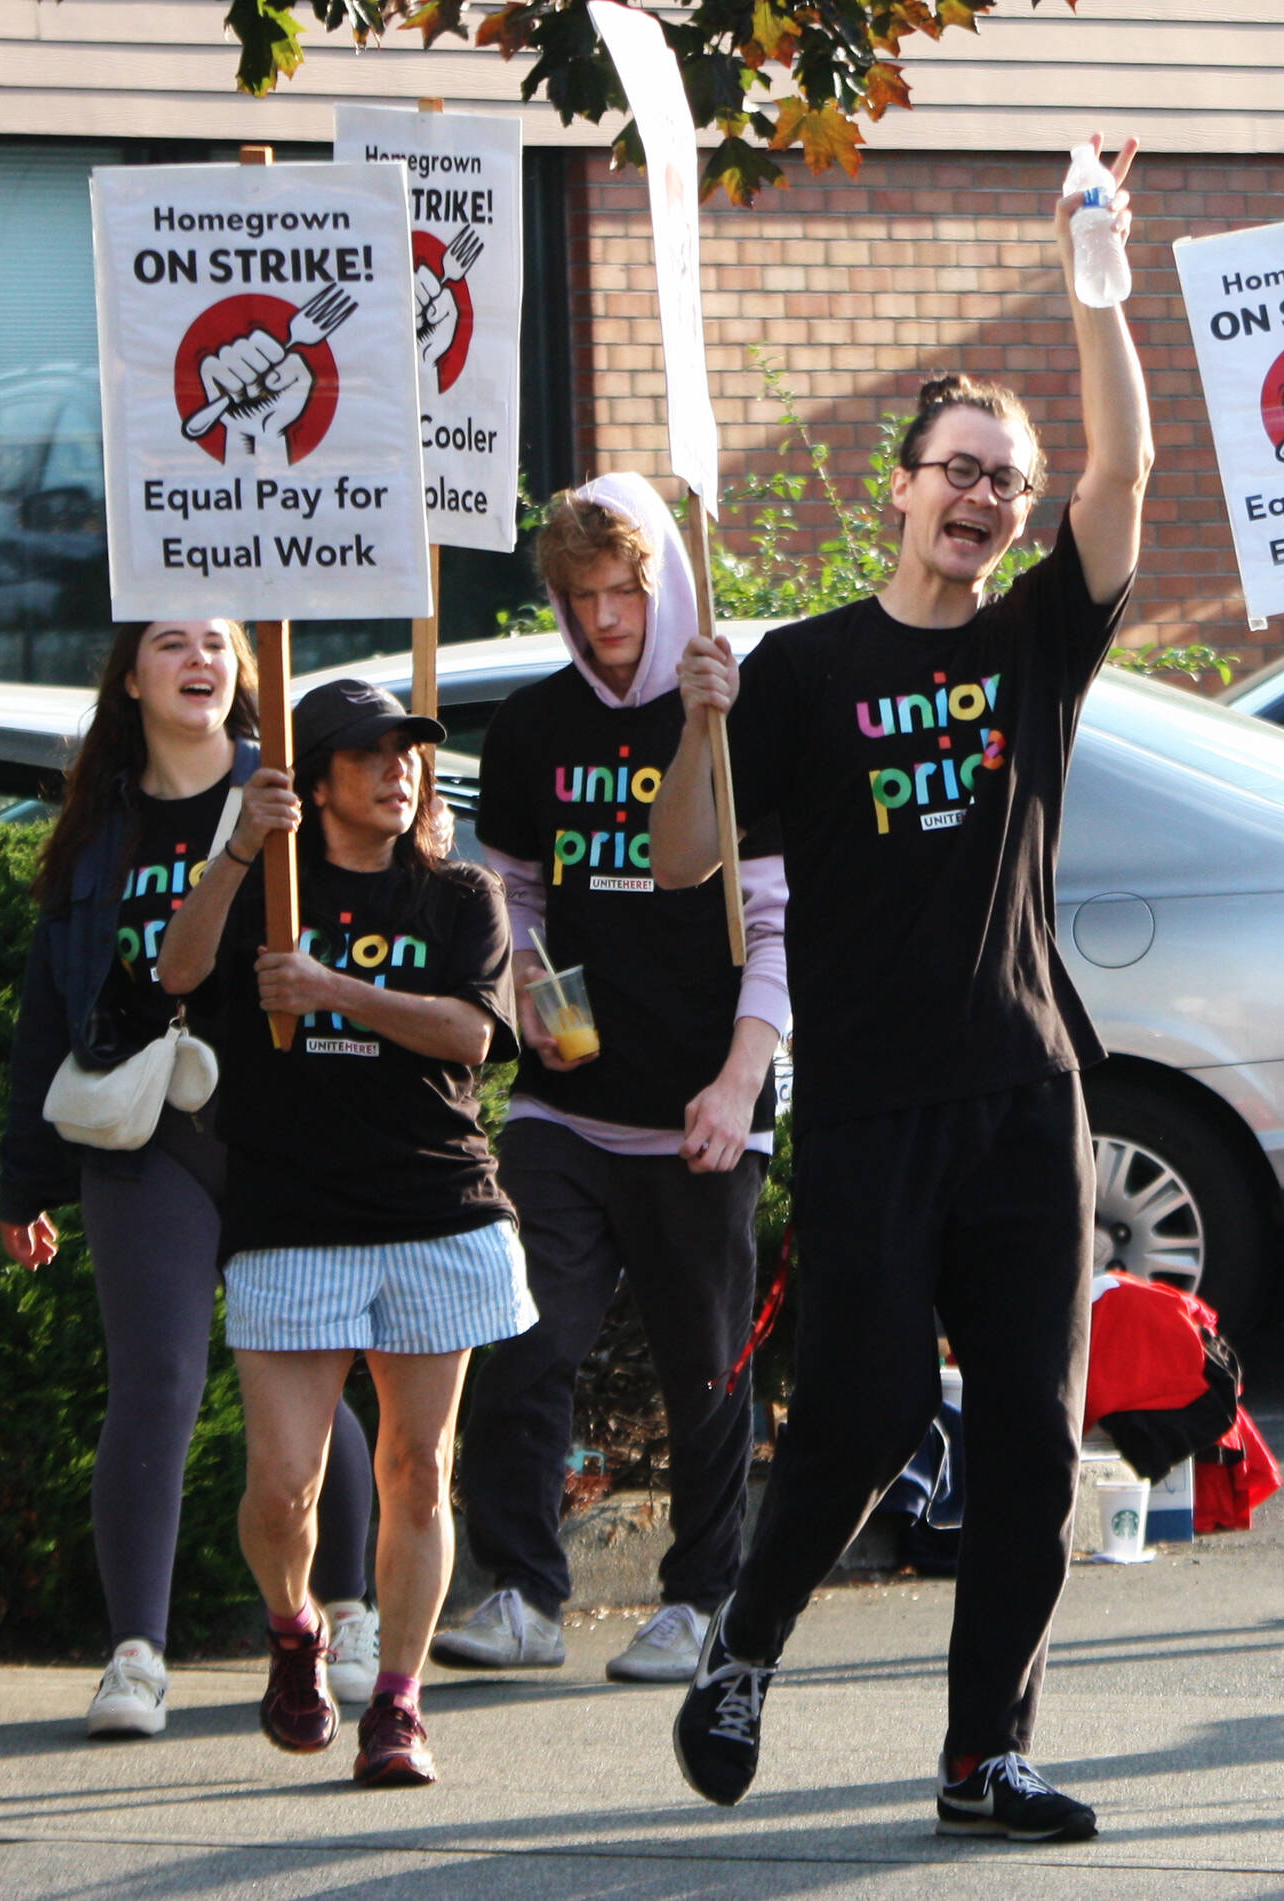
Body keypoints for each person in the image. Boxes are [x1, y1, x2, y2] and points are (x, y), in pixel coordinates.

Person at [651, 133, 1151, 1843]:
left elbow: (1126, 475)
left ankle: (979, 1755)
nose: (980, 497)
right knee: (862, 1412)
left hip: (1023, 1091)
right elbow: (677, 864)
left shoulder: (1031, 646)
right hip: (868, 1104)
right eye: (955, 467)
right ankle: (747, 1641)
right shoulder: (800, 670)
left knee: (1028, 1434)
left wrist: (1096, 286)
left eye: (1000, 481)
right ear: (900, 486)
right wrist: (701, 722)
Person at [432, 473, 787, 1682]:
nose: (604, 620)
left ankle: (702, 1599)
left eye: (625, 591)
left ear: (665, 582)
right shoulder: (534, 727)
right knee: (526, 1337)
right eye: (579, 598)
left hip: (703, 1099)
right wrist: (528, 980)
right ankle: (524, 1590)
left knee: (706, 1366)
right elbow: (514, 894)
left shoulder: (732, 714)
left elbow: (776, 922)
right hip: (564, 1099)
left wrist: (741, 1081)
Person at [0, 618, 377, 1741]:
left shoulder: (291, 792)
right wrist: (24, 1183)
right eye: (170, 643)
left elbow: (382, 928)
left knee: (310, 1376)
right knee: (156, 1378)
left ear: (244, 666)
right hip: (142, 1132)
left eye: (217, 641)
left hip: (279, 1127)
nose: (199, 660)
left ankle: (348, 1611)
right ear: (129, 675)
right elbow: (45, 1017)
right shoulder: (91, 834)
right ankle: (136, 1655)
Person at [158, 678, 535, 1787]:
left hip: (437, 1208)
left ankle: (400, 1705)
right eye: (368, 754)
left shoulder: (460, 892)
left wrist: (332, 991)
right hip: (292, 1216)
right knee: (284, 1484)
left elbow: (470, 1031)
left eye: (407, 751)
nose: (397, 769)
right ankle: (292, 1629)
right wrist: (236, 851)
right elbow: (176, 974)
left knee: (420, 1465)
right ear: (314, 779)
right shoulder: (267, 890)